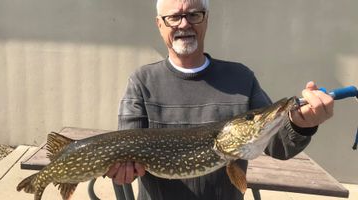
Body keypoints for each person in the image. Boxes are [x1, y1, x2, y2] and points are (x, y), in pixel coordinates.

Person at [105, 0, 334, 199]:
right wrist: (124, 169)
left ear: (206, 20)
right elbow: (126, 147)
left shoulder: (241, 78)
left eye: (194, 14)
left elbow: (279, 146)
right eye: (174, 17)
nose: (184, 24)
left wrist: (302, 125)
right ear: (159, 24)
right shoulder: (141, 81)